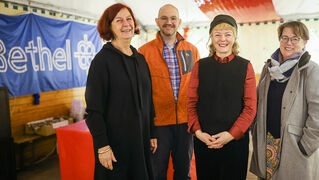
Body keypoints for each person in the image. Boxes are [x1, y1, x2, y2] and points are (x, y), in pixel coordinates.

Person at [85, 3, 157, 180]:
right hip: (116, 147)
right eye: (119, 20)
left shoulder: (140, 59)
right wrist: (103, 147)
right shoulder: (101, 62)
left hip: (140, 143)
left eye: (129, 19)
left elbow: (148, 101)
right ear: (109, 26)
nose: (126, 24)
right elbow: (94, 110)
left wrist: (152, 133)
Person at [187, 14, 257, 180]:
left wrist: (231, 135)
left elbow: (250, 107)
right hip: (205, 142)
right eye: (217, 34)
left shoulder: (245, 66)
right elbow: (191, 103)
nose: (222, 39)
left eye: (228, 34)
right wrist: (198, 132)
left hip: (235, 142)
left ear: (234, 37)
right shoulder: (200, 66)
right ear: (211, 37)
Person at [250, 21, 319, 180]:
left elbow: (317, 114)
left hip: (295, 147)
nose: (289, 43)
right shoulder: (269, 69)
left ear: (305, 42)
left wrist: (305, 146)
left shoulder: (311, 70)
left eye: (295, 38)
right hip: (268, 143)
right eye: (284, 37)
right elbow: (258, 102)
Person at [138, 4, 200, 180]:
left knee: (183, 172)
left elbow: (197, 87)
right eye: (164, 18)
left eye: (173, 18)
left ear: (179, 22)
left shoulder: (192, 50)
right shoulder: (144, 52)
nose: (169, 22)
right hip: (158, 125)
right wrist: (148, 129)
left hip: (185, 124)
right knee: (157, 173)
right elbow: (142, 93)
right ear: (157, 21)